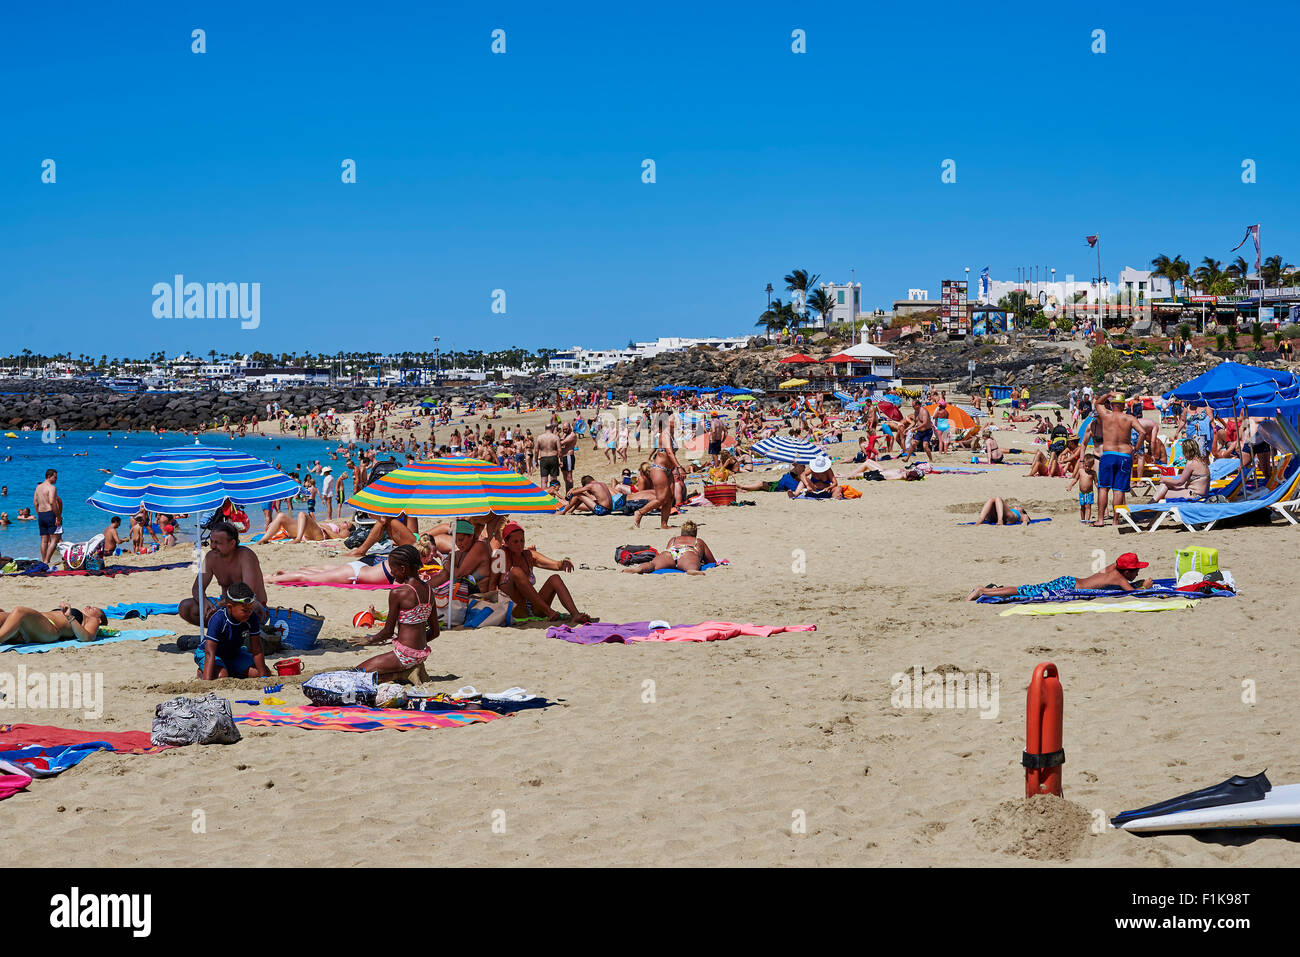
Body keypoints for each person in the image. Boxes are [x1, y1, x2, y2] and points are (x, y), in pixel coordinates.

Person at [350, 545, 438, 674]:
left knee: (357, 673)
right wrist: (417, 649)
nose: (391, 573)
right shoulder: (429, 590)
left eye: (393, 569)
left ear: (403, 569)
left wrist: (368, 640)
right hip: (421, 654)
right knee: (374, 674)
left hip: (403, 655)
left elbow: (388, 632)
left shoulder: (399, 593)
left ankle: (404, 673)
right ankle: (408, 671)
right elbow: (435, 632)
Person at [492, 521, 593, 622]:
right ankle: (549, 612)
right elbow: (492, 584)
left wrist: (564, 562)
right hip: (514, 608)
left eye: (522, 540)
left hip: (533, 607)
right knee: (516, 571)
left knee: (555, 578)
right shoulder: (500, 555)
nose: (520, 545)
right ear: (506, 542)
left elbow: (556, 565)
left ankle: (575, 614)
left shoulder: (528, 555)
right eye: (515, 542)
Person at [179, 522, 269, 628]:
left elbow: (248, 593)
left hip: (250, 605)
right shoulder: (210, 557)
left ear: (232, 543)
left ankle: (239, 633)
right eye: (211, 541)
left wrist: (219, 605)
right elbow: (197, 587)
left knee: (246, 607)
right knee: (185, 607)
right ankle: (222, 632)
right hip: (225, 605)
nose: (212, 546)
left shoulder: (246, 556)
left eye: (217, 543)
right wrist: (203, 601)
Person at [967, 552, 1153, 601]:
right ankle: (983, 590)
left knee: (1028, 589)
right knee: (1025, 591)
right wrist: (1144, 586)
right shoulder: (1120, 579)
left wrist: (1135, 580)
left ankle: (992, 589)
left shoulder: (1113, 570)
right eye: (1136, 570)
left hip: (1069, 581)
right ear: (1127, 571)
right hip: (1067, 588)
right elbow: (1131, 594)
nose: (1138, 572)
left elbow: (1118, 566)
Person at [1093, 392, 1154, 527]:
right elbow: (1143, 432)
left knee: (1103, 488)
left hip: (1108, 454)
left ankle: (1101, 520)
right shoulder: (1129, 418)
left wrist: (1108, 394)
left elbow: (1097, 403)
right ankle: (1115, 520)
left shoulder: (1106, 416)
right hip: (1125, 456)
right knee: (1118, 489)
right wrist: (1135, 449)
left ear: (1113, 404)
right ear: (1123, 405)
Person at [195, 582, 272, 680]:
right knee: (221, 676)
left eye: (251, 609)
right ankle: (202, 672)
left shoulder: (251, 618)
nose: (249, 613)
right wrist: (207, 681)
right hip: (210, 654)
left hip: (234, 654)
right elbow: (210, 652)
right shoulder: (218, 619)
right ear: (230, 607)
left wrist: (263, 677)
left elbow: (257, 649)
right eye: (244, 610)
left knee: (260, 672)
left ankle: (229, 669)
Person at [624, 520, 717, 575]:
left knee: (653, 565)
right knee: (691, 566)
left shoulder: (674, 539)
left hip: (671, 552)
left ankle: (638, 569)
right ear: (695, 533)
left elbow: (667, 550)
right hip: (688, 551)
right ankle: (691, 570)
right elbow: (711, 561)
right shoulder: (698, 541)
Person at [0, 601, 107, 645]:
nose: (88, 607)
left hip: (51, 629)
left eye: (93, 608)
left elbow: (87, 638)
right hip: (31, 626)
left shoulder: (93, 620)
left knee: (20, 611)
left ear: (100, 619)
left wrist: (70, 617)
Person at [633, 445, 682, 530]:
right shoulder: (665, 433)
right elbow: (669, 453)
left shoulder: (672, 435)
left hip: (669, 469)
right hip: (659, 468)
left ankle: (664, 524)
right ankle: (640, 512)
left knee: (670, 497)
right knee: (661, 498)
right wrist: (679, 467)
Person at [261, 511, 355, 543]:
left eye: (346, 523)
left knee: (302, 514)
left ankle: (297, 539)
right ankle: (264, 539)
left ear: (347, 528)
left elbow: (340, 538)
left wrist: (326, 529)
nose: (344, 521)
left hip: (319, 535)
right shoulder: (336, 524)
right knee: (281, 516)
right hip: (308, 532)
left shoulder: (344, 531)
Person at [34, 469, 60, 565]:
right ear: (49, 477)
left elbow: (35, 503)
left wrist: (39, 514)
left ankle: (43, 560)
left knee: (44, 540)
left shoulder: (38, 488)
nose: (56, 479)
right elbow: (52, 502)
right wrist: (58, 516)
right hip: (50, 513)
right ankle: (47, 560)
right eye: (55, 477)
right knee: (54, 539)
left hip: (41, 514)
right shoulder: (52, 488)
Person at [1065, 452, 1098, 523]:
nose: (1087, 468)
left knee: (1088, 506)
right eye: (1086, 466)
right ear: (1083, 464)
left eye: (1089, 466)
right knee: (1082, 506)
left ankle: (1087, 520)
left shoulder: (1093, 473)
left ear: (1092, 465)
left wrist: (1099, 488)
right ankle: (1083, 520)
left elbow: (1096, 482)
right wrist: (1070, 486)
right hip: (1081, 493)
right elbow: (1075, 479)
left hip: (1089, 493)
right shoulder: (1080, 471)